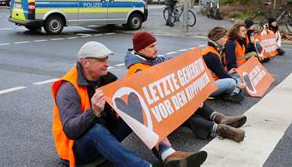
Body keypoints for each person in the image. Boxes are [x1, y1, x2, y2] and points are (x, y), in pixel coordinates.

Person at [51, 41, 207, 167]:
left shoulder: (106, 77)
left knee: (136, 109)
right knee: (95, 130)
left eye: (107, 59)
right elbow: (70, 130)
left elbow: (135, 98)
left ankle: (168, 155)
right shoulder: (68, 88)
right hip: (75, 153)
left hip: (105, 137)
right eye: (101, 60)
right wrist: (93, 112)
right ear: (85, 63)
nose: (107, 63)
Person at [124, 31, 247, 142]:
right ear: (140, 50)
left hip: (165, 104)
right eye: (152, 46)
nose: (156, 49)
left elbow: (167, 62)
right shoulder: (137, 71)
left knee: (189, 97)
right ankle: (220, 129)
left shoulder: (151, 59)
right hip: (154, 115)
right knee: (184, 110)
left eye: (155, 45)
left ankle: (220, 118)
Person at [202, 27, 245, 103]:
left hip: (214, 80)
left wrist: (229, 73)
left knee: (237, 76)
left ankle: (231, 93)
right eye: (224, 37)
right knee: (232, 82)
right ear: (218, 38)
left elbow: (218, 72)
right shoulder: (210, 54)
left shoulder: (214, 49)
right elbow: (222, 74)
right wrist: (238, 85)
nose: (226, 39)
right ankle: (233, 93)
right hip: (207, 87)